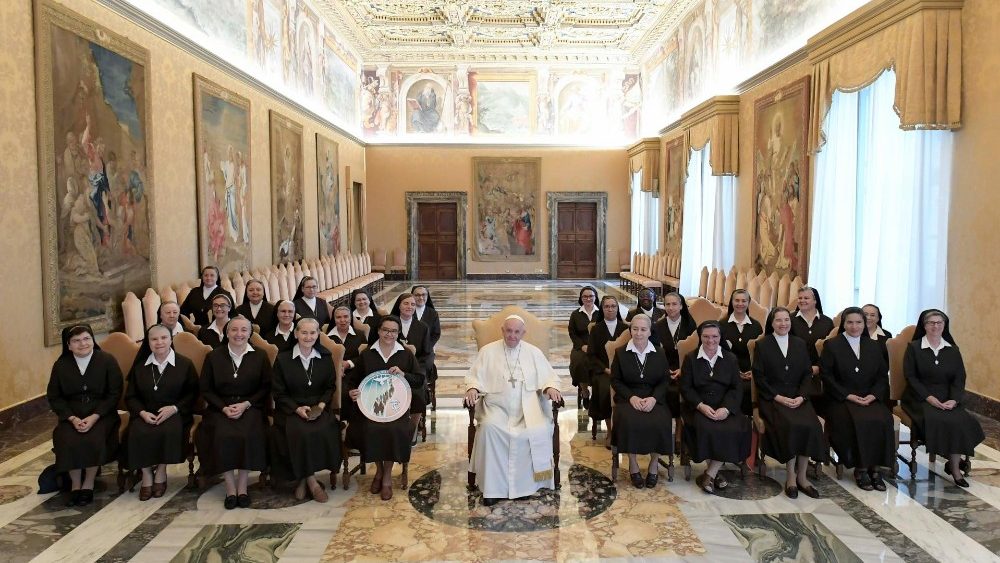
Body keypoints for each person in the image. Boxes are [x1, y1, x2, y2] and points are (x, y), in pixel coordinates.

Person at [464, 315, 563, 506]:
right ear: (502, 330)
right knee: (489, 429)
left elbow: (550, 377)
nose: (512, 335)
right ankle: (492, 489)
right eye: (509, 331)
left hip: (528, 410)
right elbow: (474, 376)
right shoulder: (487, 351)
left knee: (534, 431)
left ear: (523, 333)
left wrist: (551, 387)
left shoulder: (534, 353)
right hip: (496, 409)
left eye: (517, 332)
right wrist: (472, 388)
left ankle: (524, 487)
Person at [196, 316, 271, 509]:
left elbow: (265, 387)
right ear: (227, 332)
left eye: (244, 330)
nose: (239, 334)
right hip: (220, 407)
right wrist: (223, 407)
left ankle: (243, 487)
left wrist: (246, 404)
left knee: (247, 433)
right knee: (222, 434)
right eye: (234, 330)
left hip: (250, 406)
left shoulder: (260, 355)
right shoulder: (213, 356)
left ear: (250, 333)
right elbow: (206, 389)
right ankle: (230, 488)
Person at [902, 309, 984, 487]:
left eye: (939, 322)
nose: (935, 326)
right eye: (931, 322)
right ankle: (954, 465)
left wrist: (954, 399)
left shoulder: (952, 349)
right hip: (919, 397)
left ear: (944, 325)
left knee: (962, 420)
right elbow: (911, 377)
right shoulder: (914, 348)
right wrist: (929, 397)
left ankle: (953, 465)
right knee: (938, 419)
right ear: (924, 326)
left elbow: (959, 378)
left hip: (947, 397)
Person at [348, 315, 425, 501]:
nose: (389, 334)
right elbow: (353, 380)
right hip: (371, 409)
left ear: (398, 333)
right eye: (386, 330)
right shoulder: (367, 354)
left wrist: (404, 374)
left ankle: (387, 476)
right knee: (371, 428)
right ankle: (379, 471)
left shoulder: (405, 354)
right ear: (379, 331)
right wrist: (351, 391)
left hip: (396, 409)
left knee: (394, 429)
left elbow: (419, 380)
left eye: (394, 331)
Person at [752, 307, 826, 499]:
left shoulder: (799, 343)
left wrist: (801, 396)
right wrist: (778, 397)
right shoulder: (762, 345)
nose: (783, 324)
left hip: (798, 397)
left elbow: (807, 374)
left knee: (810, 425)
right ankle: (791, 476)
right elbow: (760, 378)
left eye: (786, 320)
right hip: (773, 399)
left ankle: (802, 477)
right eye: (778, 320)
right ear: (771, 323)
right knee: (791, 425)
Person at [46, 325, 123, 507]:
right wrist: (72, 418)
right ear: (69, 345)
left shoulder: (107, 360)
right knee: (66, 438)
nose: (83, 344)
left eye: (86, 338)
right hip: (72, 415)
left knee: (93, 437)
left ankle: (88, 483)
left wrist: (95, 416)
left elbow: (114, 393)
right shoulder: (61, 365)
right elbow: (54, 396)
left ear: (93, 340)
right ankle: (75, 484)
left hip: (102, 414)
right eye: (76, 341)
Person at [122, 325, 199, 501]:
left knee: (168, 430)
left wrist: (174, 408)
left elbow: (192, 393)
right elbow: (131, 396)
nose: (159, 342)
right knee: (137, 431)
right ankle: (146, 474)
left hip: (175, 412)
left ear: (171, 339)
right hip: (145, 412)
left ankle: (161, 471)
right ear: (148, 343)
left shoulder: (184, 364)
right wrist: (142, 413)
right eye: (154, 339)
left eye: (164, 338)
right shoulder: (140, 367)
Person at [820, 307, 893, 491]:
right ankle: (860, 468)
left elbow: (882, 376)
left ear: (864, 324)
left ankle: (875, 468)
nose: (854, 326)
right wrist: (847, 395)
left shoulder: (874, 346)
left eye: (859, 322)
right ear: (843, 324)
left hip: (869, 396)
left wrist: (873, 395)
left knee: (883, 418)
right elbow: (827, 376)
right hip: (841, 398)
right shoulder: (832, 345)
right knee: (855, 420)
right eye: (850, 322)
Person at [269, 318, 341, 502]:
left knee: (324, 428)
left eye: (313, 333)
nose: (308, 337)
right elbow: (278, 392)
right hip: (291, 409)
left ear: (318, 334)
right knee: (300, 432)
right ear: (296, 334)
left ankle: (302, 480)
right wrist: (296, 408)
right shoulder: (283, 359)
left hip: (319, 407)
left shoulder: (325, 357)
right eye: (304, 332)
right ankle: (312, 483)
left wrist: (321, 406)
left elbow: (330, 387)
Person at [680, 320, 750, 494]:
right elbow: (686, 388)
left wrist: (726, 409)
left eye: (714, 336)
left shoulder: (730, 358)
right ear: (700, 337)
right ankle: (714, 474)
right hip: (699, 406)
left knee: (733, 427)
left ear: (720, 337)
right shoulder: (690, 358)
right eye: (706, 336)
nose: (710, 341)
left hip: (724, 406)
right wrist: (701, 406)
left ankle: (710, 474)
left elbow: (736, 388)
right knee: (705, 427)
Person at [610, 314, 673, 489]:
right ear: (630, 330)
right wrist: (631, 397)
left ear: (650, 331)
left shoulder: (659, 352)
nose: (638, 333)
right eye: (635, 329)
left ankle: (654, 463)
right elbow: (615, 380)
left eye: (643, 329)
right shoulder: (621, 352)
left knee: (660, 420)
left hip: (653, 397)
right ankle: (633, 463)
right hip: (628, 398)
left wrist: (654, 398)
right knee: (629, 420)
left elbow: (665, 380)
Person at [389, 293, 432, 430]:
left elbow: (427, 353)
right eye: (406, 303)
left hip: (415, 369)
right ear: (399, 306)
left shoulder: (423, 327)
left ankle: (413, 427)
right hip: (393, 367)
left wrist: (419, 370)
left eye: (413, 304)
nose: (410, 307)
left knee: (418, 390)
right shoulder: (390, 325)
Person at [587, 296, 628, 439]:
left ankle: (624, 428)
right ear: (602, 309)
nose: (610, 309)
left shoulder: (626, 329)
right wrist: (606, 369)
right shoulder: (596, 329)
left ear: (617, 308)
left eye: (613, 306)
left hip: (624, 371)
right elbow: (591, 355)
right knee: (605, 390)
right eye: (607, 306)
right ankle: (611, 432)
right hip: (603, 371)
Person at [652, 292, 697, 414]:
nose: (671, 308)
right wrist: (664, 370)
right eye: (667, 304)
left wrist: (683, 369)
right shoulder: (657, 326)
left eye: (674, 304)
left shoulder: (690, 325)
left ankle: (680, 424)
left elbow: (695, 352)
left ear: (681, 306)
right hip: (662, 369)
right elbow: (654, 352)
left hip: (686, 369)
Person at [720, 289, 764, 415]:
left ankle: (748, 420)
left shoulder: (756, 326)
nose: (740, 304)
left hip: (751, 373)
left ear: (748, 303)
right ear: (731, 302)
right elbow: (718, 353)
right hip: (727, 372)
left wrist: (753, 371)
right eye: (737, 300)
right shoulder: (721, 325)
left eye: (744, 301)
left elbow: (761, 354)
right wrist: (734, 371)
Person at [790, 287, 834, 398]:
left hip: (821, 371)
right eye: (800, 298)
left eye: (806, 298)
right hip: (794, 370)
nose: (802, 300)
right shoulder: (788, 320)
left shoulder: (827, 322)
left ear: (815, 301)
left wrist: (818, 367)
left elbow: (831, 350)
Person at [328, 305, 366, 423]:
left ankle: (352, 422)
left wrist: (348, 363)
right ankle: (341, 422)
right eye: (338, 317)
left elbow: (364, 357)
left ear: (351, 318)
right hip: (333, 374)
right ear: (334, 319)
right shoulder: (326, 337)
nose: (342, 320)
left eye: (346, 316)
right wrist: (336, 368)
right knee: (339, 388)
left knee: (353, 389)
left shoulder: (360, 335)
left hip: (354, 372)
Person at [568, 286, 601, 408]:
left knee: (600, 363)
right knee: (579, 362)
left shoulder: (601, 313)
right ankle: (585, 391)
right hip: (581, 346)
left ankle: (598, 392)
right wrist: (582, 346)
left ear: (595, 297)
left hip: (598, 347)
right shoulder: (575, 314)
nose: (588, 298)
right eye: (585, 296)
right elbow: (572, 333)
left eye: (591, 296)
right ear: (581, 298)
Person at [411, 285, 441, 402]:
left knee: (420, 373)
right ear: (412, 296)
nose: (421, 297)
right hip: (409, 351)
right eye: (417, 295)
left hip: (426, 352)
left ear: (427, 296)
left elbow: (436, 334)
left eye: (424, 295)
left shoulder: (433, 313)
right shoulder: (408, 311)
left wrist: (426, 347)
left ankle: (421, 400)